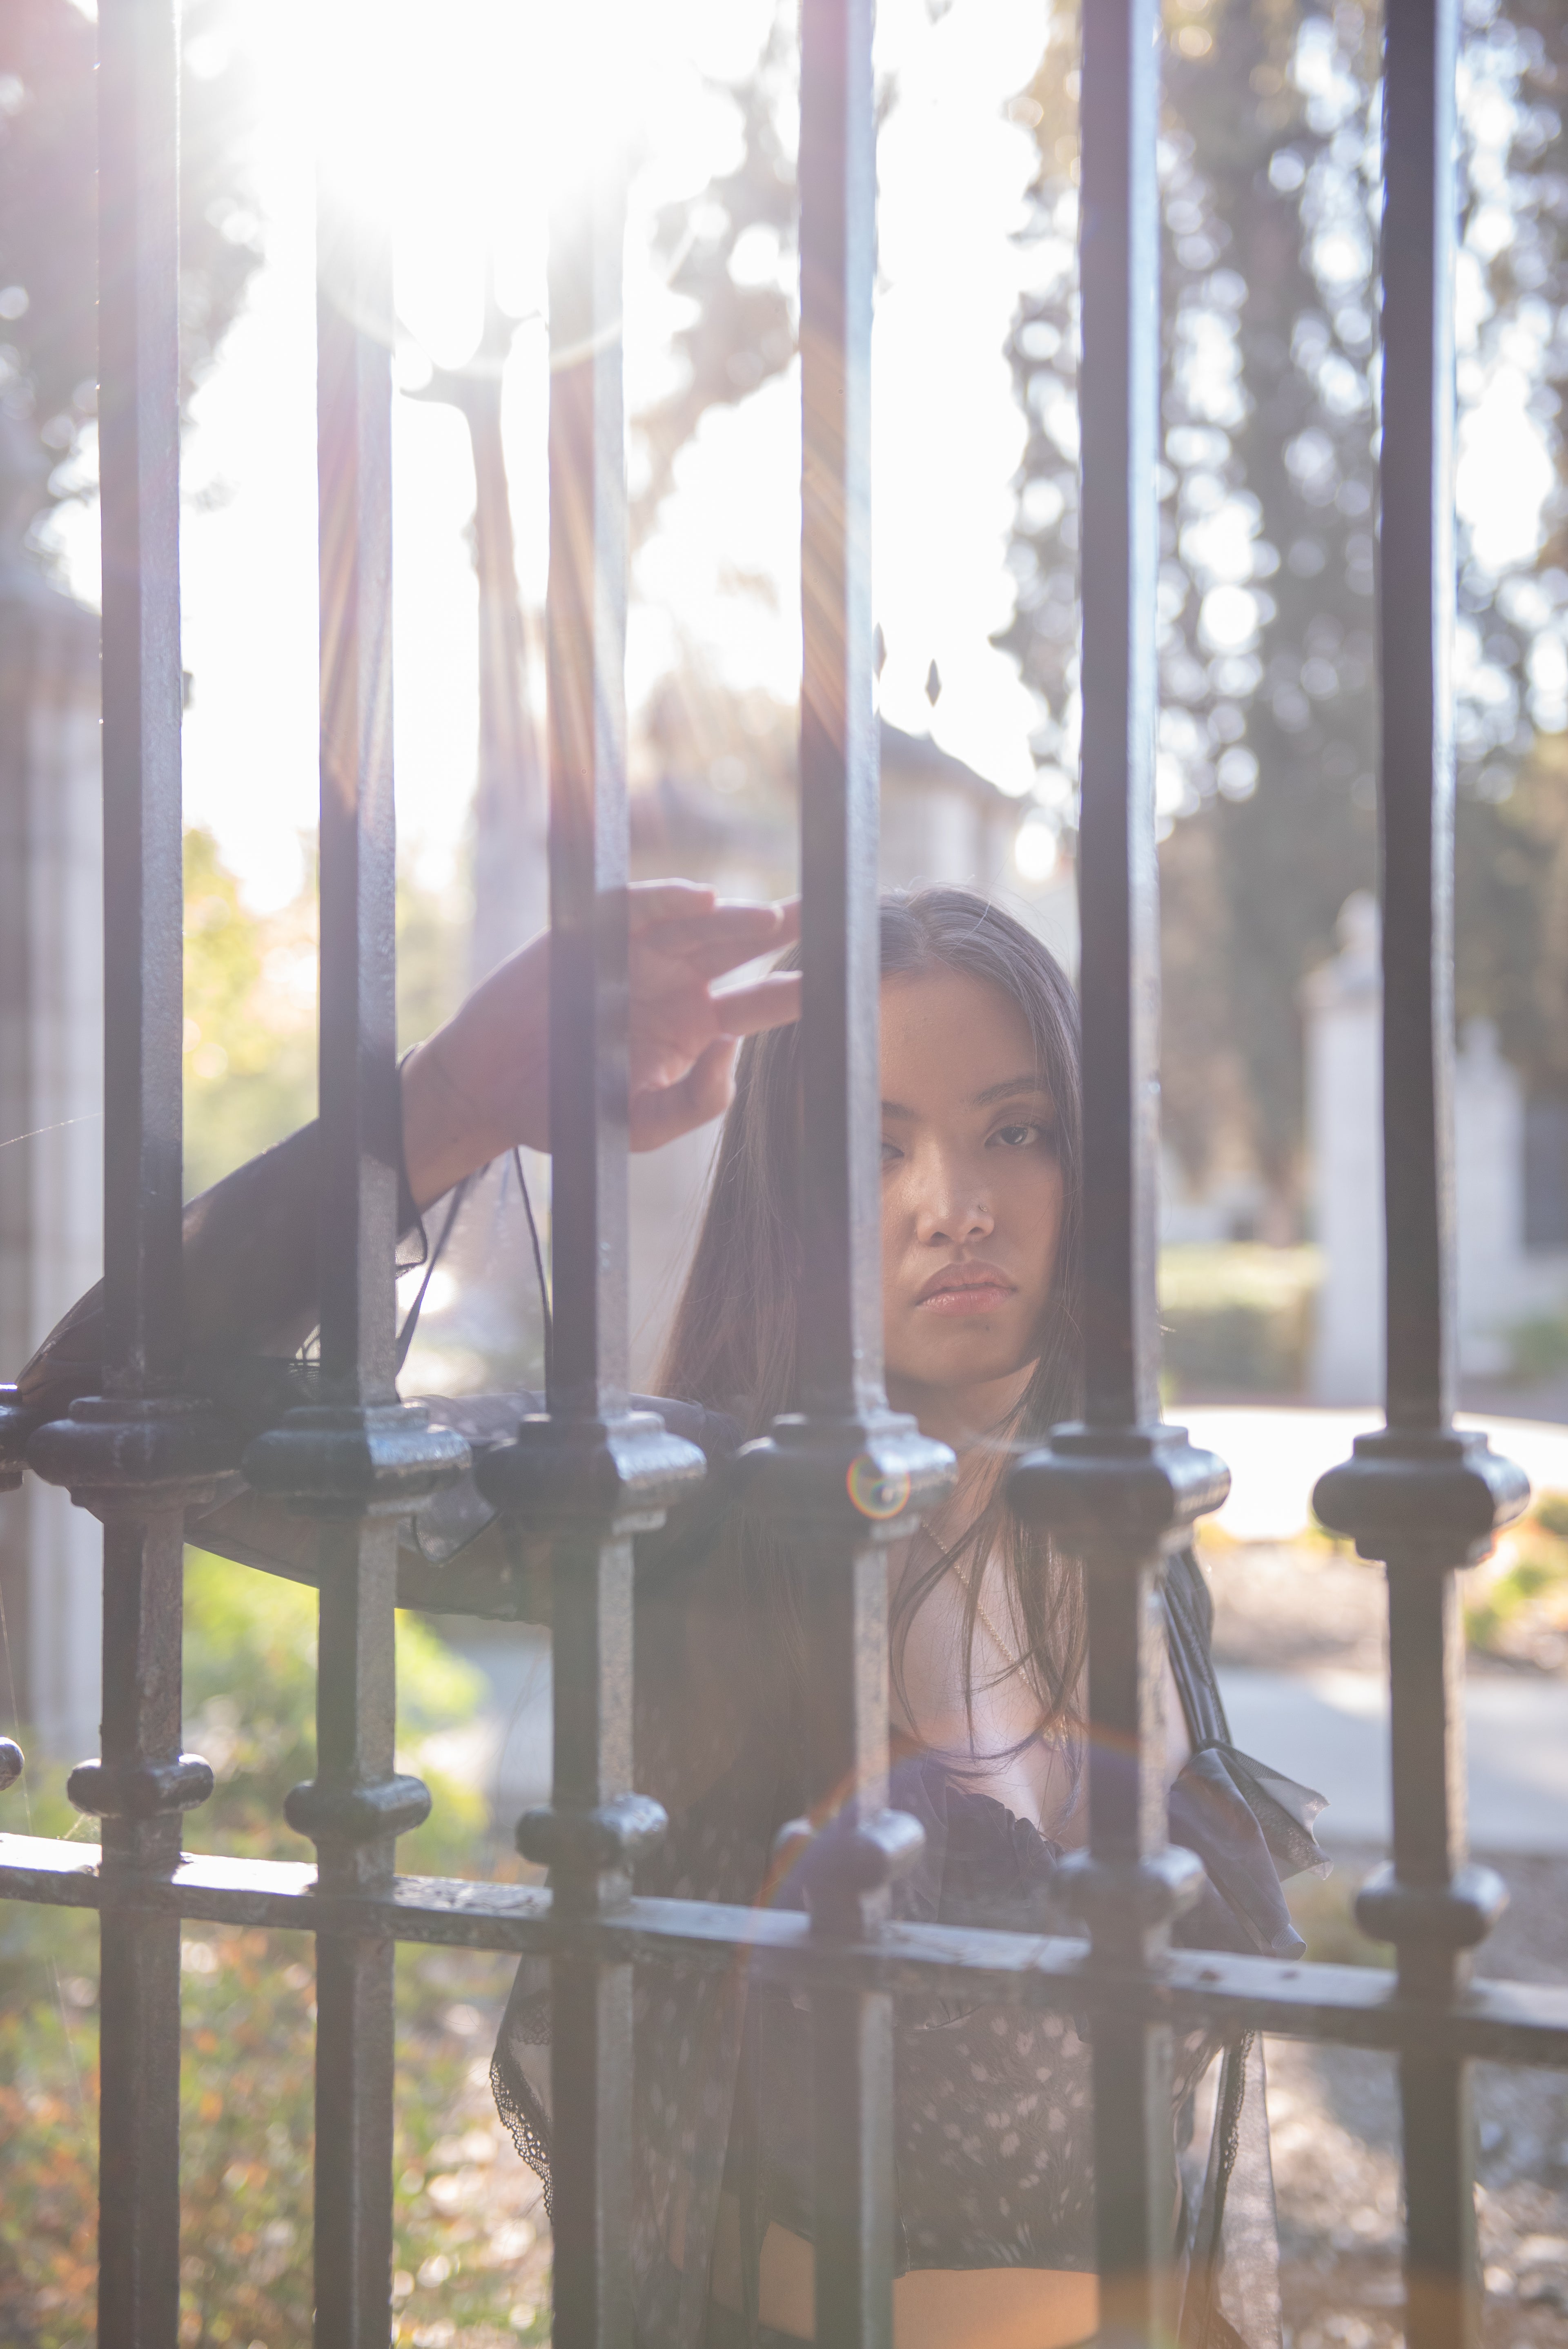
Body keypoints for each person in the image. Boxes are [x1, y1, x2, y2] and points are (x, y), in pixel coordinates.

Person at [18, 880, 1325, 2349]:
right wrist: (451, 1100)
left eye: (1014, 1129)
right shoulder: (707, 1509)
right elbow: (105, 1408)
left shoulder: (1132, 1540)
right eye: (870, 1148)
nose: (953, 1201)